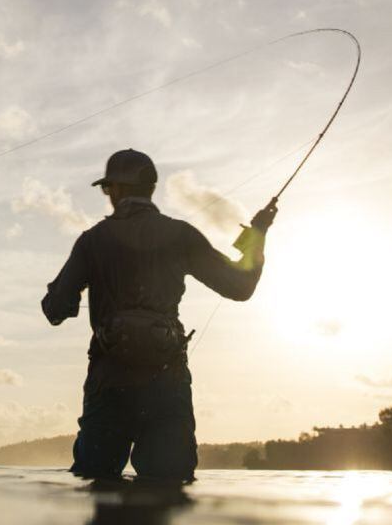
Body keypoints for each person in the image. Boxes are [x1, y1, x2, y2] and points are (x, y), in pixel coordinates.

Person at [41, 149, 277, 482]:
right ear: (149, 189)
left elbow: (53, 311)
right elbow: (240, 287)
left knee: (95, 481)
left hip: (109, 381)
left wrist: (63, 297)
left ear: (119, 190)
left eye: (108, 189)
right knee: (170, 488)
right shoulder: (181, 235)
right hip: (166, 380)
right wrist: (257, 235)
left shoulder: (92, 241)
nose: (108, 196)